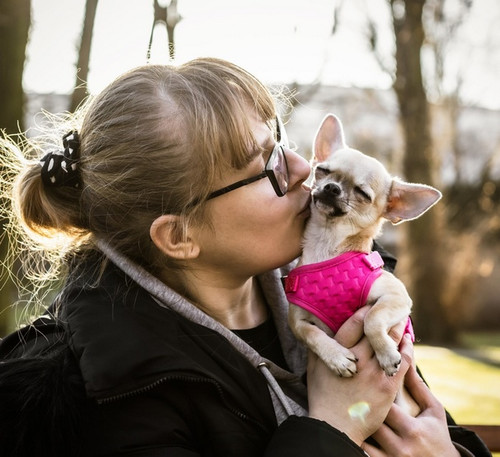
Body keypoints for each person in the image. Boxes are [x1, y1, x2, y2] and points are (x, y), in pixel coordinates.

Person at [0, 58, 491, 457]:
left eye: (283, 142)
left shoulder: (345, 286)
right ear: (180, 235)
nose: (303, 169)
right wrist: (331, 428)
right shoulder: (86, 398)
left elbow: (437, 430)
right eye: (267, 166)